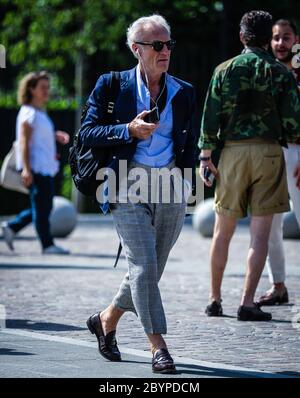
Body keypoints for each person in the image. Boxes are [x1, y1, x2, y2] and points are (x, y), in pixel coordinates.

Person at [81, 15, 197, 373]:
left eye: (168, 45)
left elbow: (189, 141)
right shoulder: (112, 85)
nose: (165, 52)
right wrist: (127, 130)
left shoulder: (184, 91)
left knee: (149, 271)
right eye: (157, 45)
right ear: (137, 50)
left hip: (171, 186)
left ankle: (106, 319)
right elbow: (87, 132)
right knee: (144, 267)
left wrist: (188, 182)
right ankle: (157, 347)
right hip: (124, 182)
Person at [198, 11, 300, 321]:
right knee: (260, 236)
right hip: (269, 153)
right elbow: (294, 123)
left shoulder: (224, 70)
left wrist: (205, 156)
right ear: (268, 36)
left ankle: (214, 299)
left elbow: (210, 116)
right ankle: (247, 301)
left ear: (242, 37)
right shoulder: (281, 73)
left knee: (222, 231)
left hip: (231, 155)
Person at [1, 71, 70, 255]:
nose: (47, 91)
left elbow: (38, 138)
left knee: (41, 207)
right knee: (43, 208)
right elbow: (23, 142)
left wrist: (55, 135)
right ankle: (47, 245)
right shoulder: (29, 113)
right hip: (36, 169)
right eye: (42, 87)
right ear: (31, 89)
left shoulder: (38, 112)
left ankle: (11, 227)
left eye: (48, 87)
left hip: (44, 168)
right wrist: (27, 170)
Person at [258, 19, 300, 306]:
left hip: (297, 153)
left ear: (296, 39)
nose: (280, 43)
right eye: (275, 38)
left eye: (286, 37)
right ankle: (279, 285)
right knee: (270, 225)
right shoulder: (266, 72)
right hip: (271, 154)